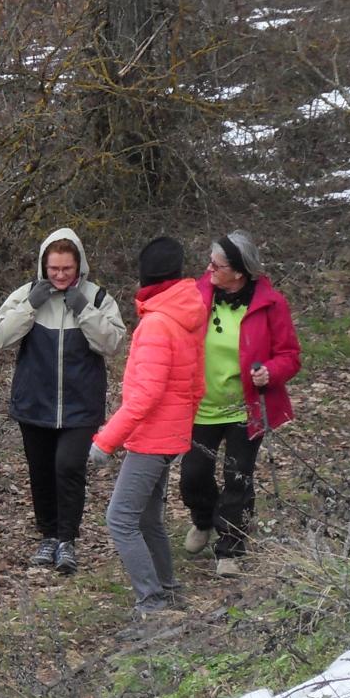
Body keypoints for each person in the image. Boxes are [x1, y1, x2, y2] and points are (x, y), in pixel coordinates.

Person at [0, 226, 127, 576]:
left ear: (79, 266)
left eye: (67, 269)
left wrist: (83, 310)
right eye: (54, 269)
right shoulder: (25, 294)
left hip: (81, 405)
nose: (61, 275)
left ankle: (67, 539)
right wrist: (31, 305)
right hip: (35, 402)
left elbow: (112, 344)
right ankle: (48, 535)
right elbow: (0, 337)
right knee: (41, 472)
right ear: (43, 266)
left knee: (68, 467)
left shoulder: (97, 298)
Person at [90, 237, 206, 622]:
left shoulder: (158, 323)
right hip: (168, 435)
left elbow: (144, 397)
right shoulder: (184, 314)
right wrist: (178, 430)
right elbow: (196, 386)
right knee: (146, 519)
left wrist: (106, 441)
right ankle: (168, 591)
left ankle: (152, 604)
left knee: (120, 518)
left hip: (153, 438)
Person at [181, 230, 301, 577]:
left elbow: (290, 356)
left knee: (238, 477)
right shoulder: (201, 293)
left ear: (239, 271)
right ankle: (203, 520)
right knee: (193, 476)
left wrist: (271, 372)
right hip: (202, 405)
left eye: (216, 266)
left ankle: (230, 547)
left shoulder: (271, 304)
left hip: (245, 409)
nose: (209, 269)